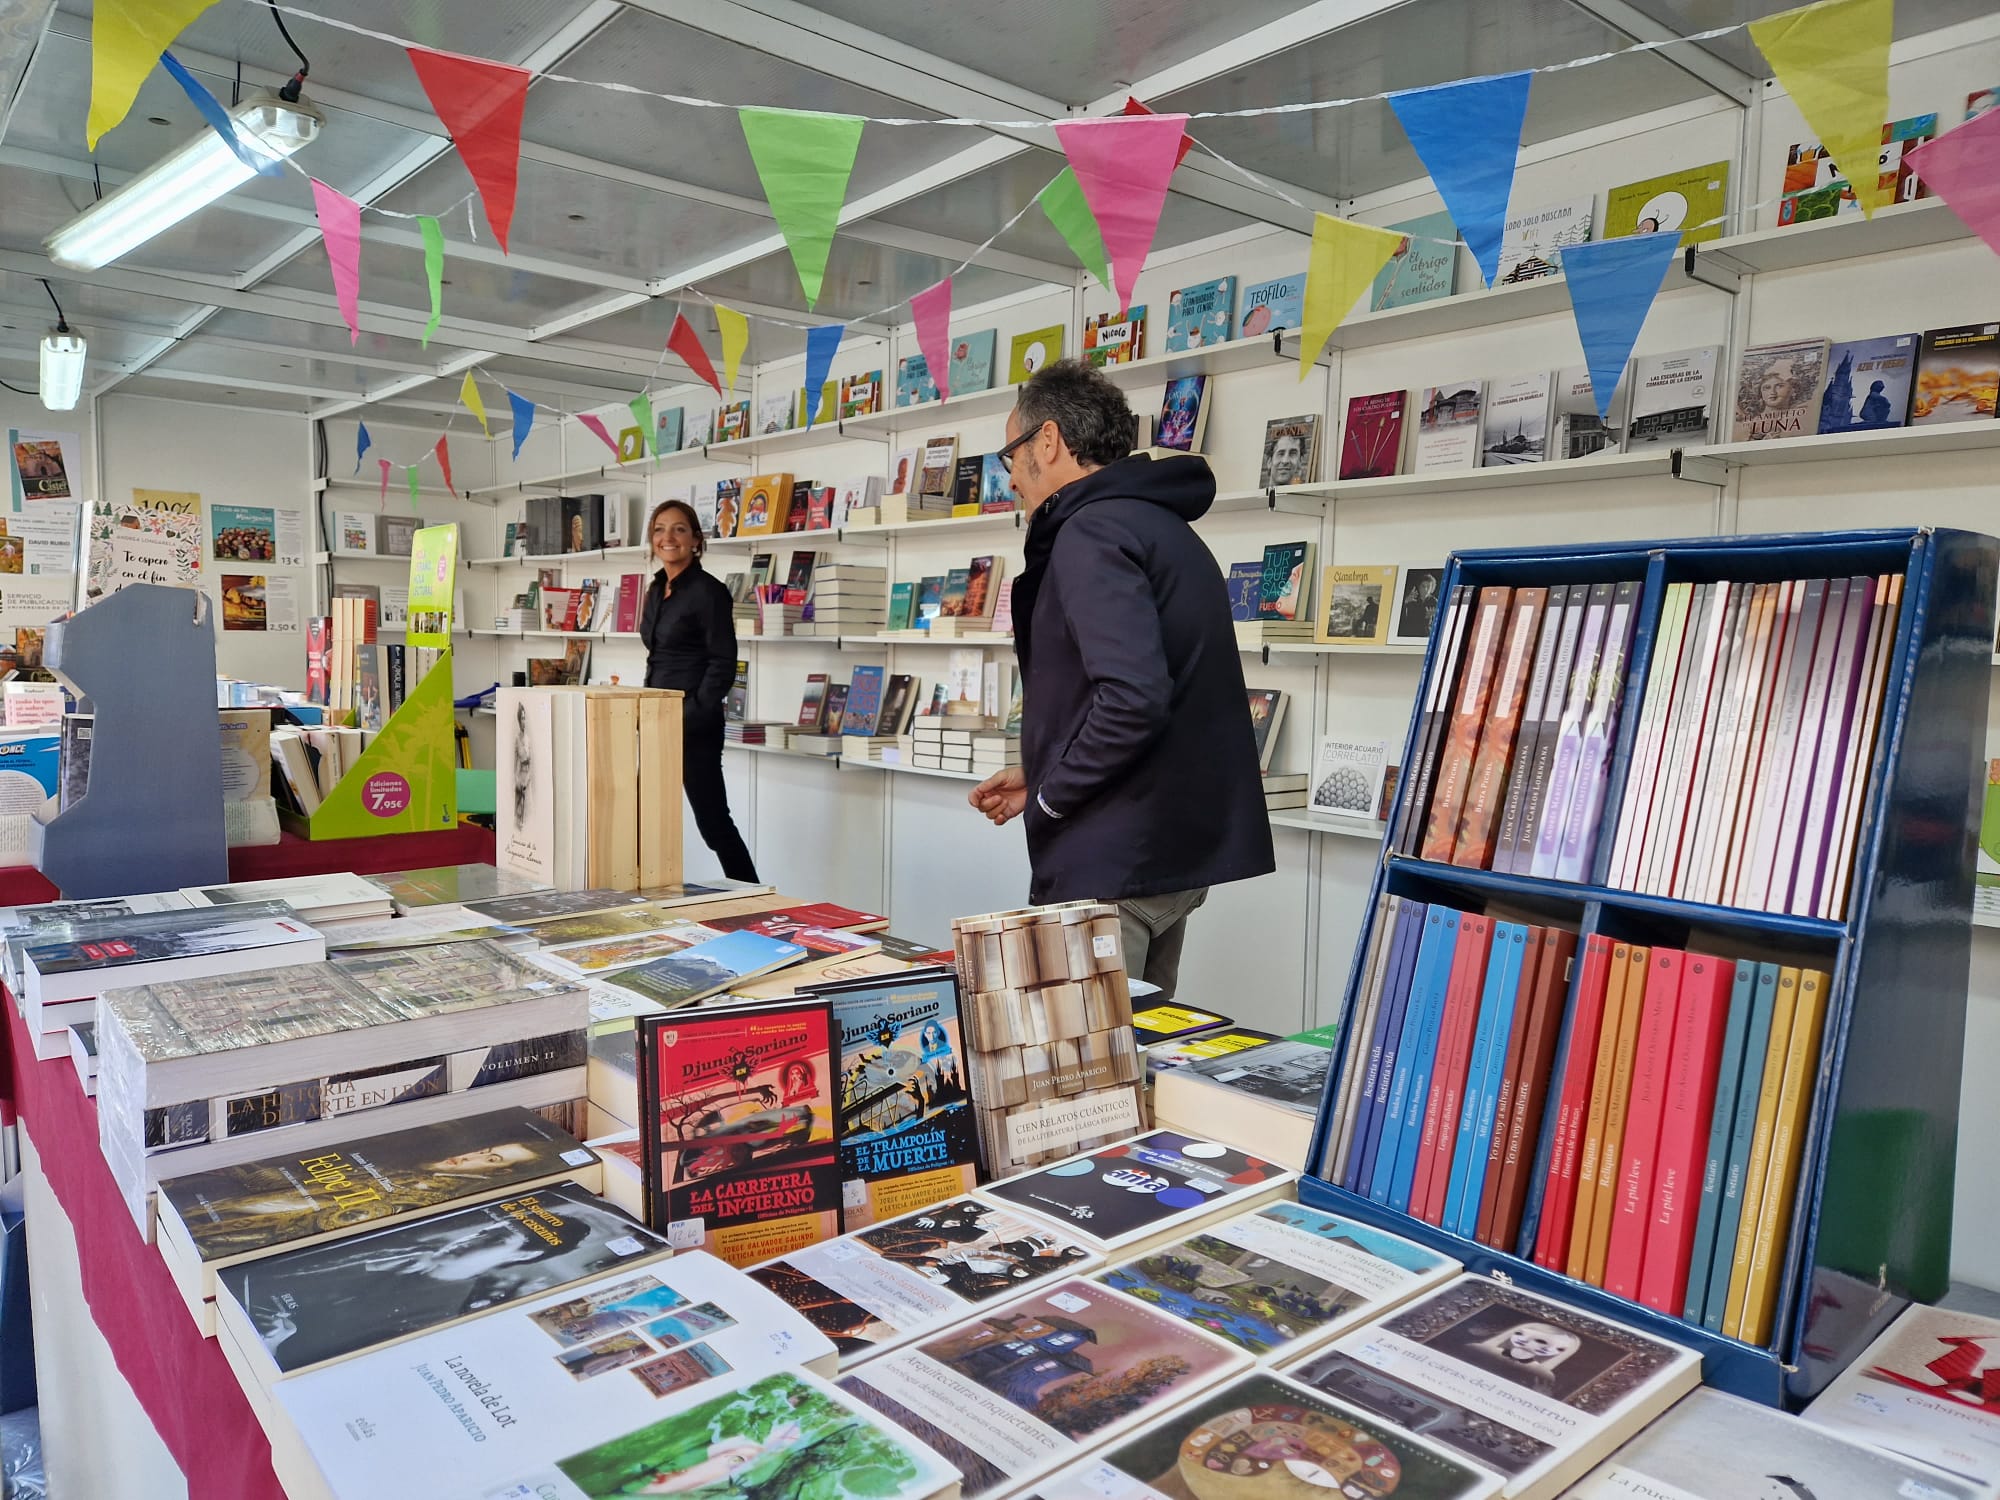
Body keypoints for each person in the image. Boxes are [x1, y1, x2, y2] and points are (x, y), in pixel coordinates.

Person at [968, 360, 1275, 998]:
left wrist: (1054, 798)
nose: (1013, 479)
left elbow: (1133, 699)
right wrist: (1042, 768)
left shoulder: (1088, 533)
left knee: (1088, 1080)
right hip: (1161, 852)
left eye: (1010, 455)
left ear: (1046, 442)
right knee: (1141, 1061)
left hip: (1112, 859)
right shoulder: (1160, 527)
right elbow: (1145, 685)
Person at [639, 499, 756, 882]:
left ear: (695, 540)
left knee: (713, 823)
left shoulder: (709, 592)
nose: (667, 537)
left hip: (694, 724)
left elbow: (723, 662)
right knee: (647, 820)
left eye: (678, 529)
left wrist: (692, 713)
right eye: (659, 529)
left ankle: (752, 899)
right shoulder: (657, 589)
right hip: (654, 719)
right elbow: (658, 658)